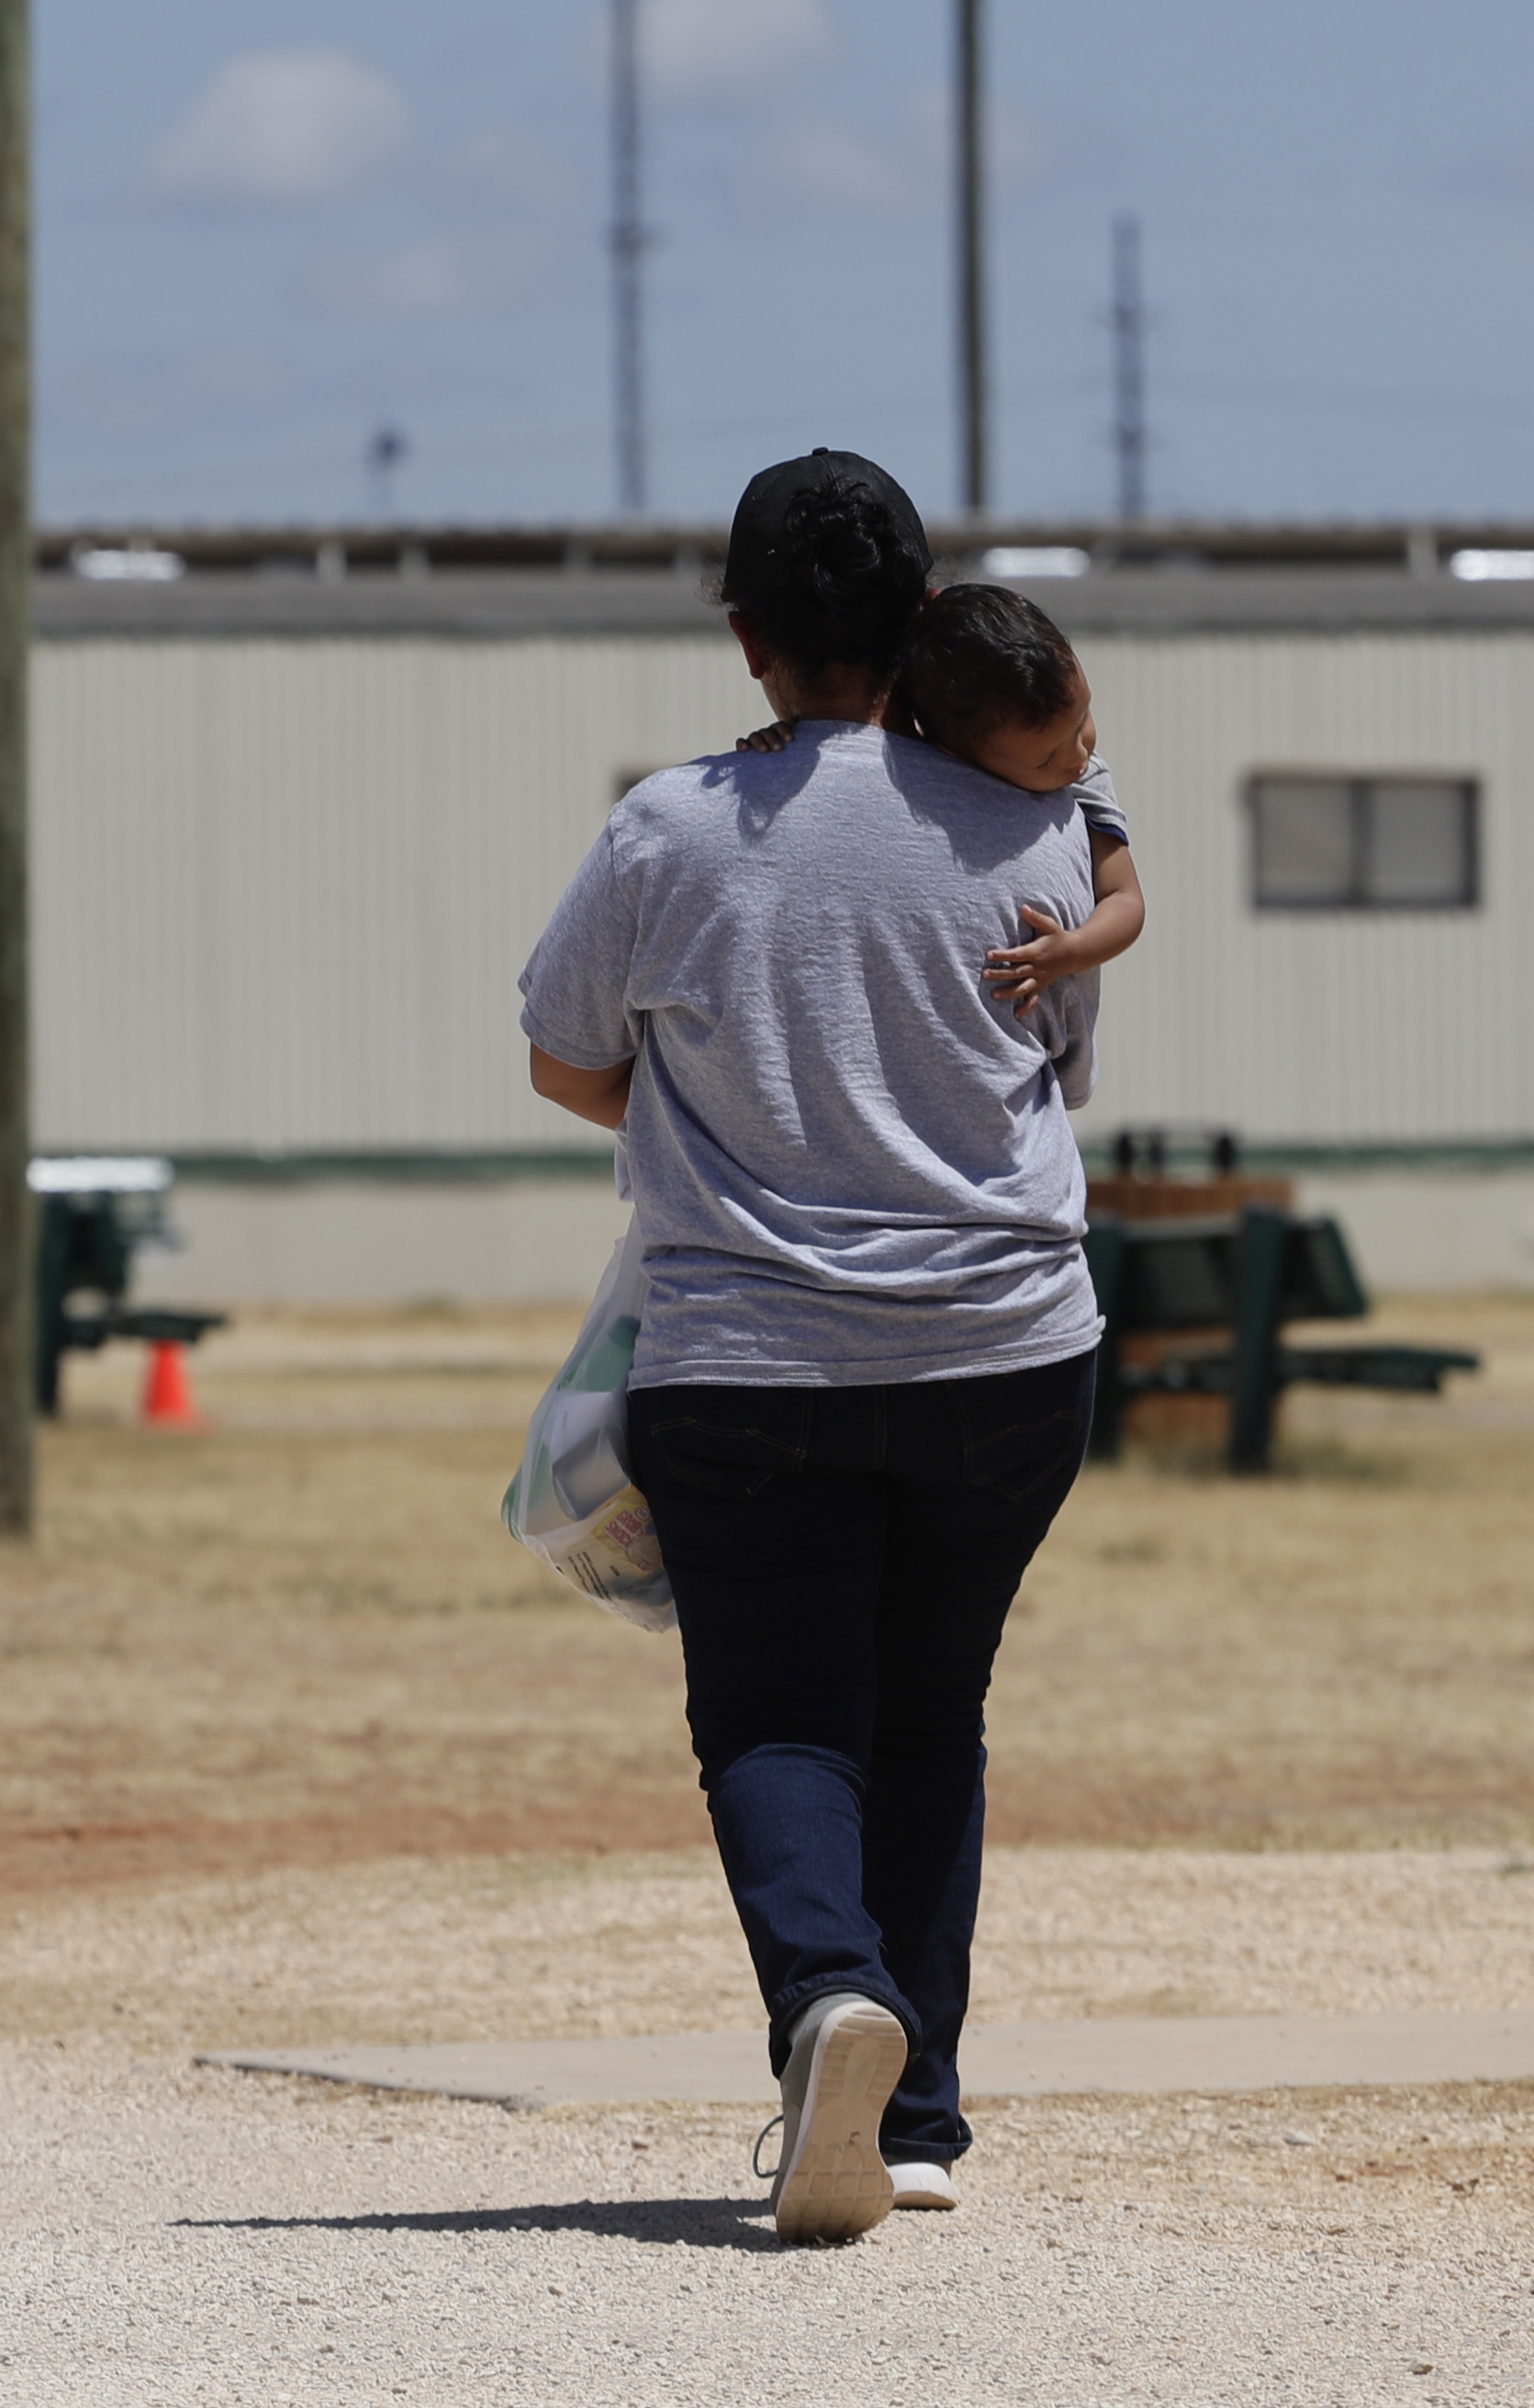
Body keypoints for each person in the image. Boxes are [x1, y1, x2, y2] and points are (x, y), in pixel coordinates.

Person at [517, 449, 1106, 2245]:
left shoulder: (667, 826)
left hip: (748, 1350)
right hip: (1009, 1347)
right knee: (930, 1705)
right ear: (918, 614)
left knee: (777, 1709)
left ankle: (827, 1999)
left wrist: (687, 1104)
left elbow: (559, 1055)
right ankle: (912, 2118)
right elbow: (1051, 1072)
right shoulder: (1033, 824)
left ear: (743, 634)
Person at [738, 579, 1144, 1020]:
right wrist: (782, 742)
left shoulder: (1085, 784)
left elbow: (1125, 899)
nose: (1080, 755)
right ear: (952, 753)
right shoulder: (922, 769)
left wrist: (1071, 950)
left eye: (1083, 718)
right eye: (1047, 760)